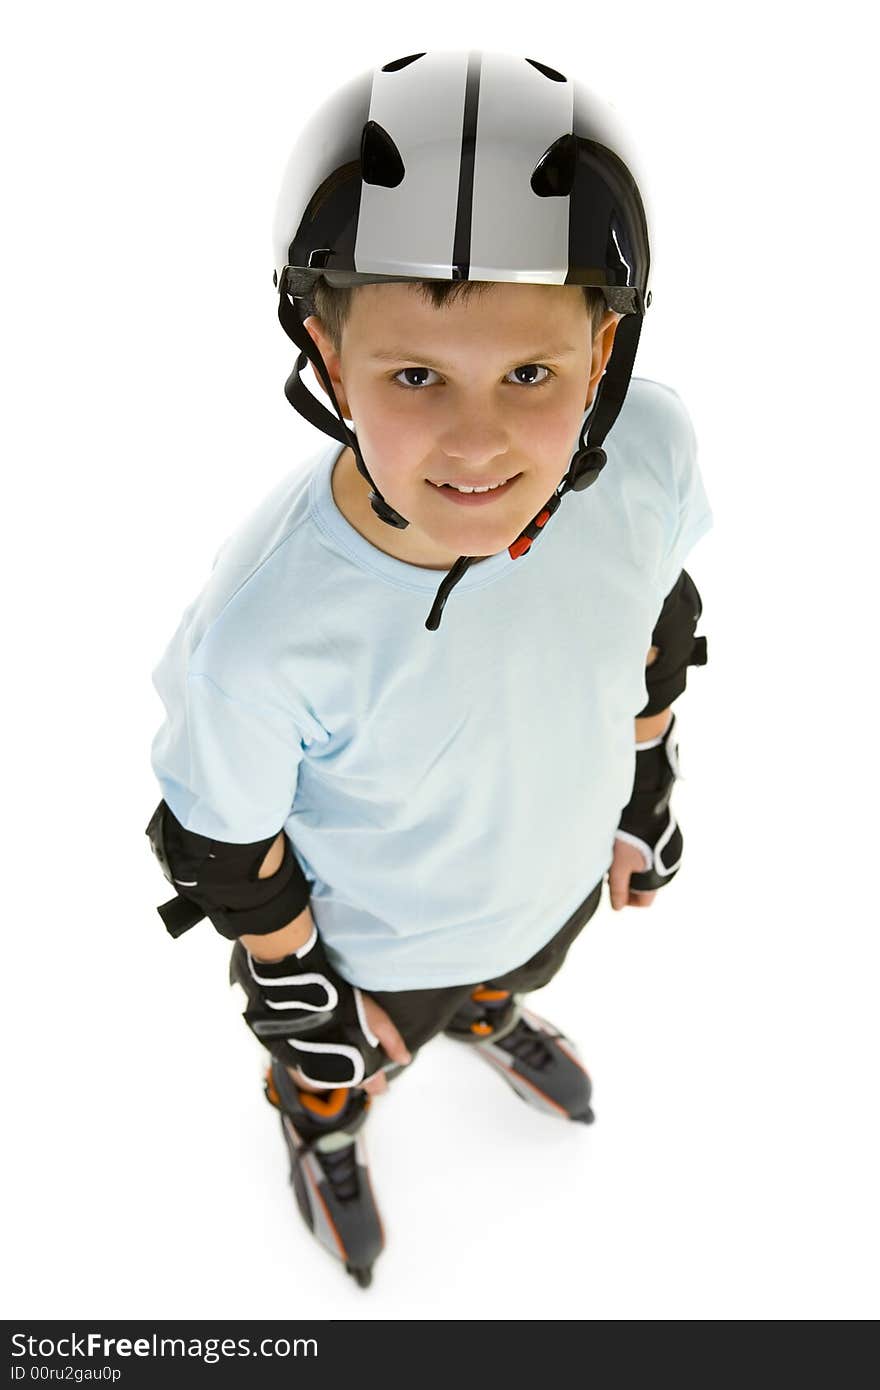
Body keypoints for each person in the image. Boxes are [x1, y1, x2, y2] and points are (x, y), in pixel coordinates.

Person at [145, 48, 713, 1289]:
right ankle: (322, 1129)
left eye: (530, 373)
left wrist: (647, 785)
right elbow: (227, 846)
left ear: (604, 349)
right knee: (344, 1066)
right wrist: (302, 1000)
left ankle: (491, 1008)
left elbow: (653, 613)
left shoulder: (649, 450)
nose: (476, 442)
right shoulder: (261, 633)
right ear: (328, 354)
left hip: (549, 871)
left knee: (515, 961)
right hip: (379, 947)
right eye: (414, 375)